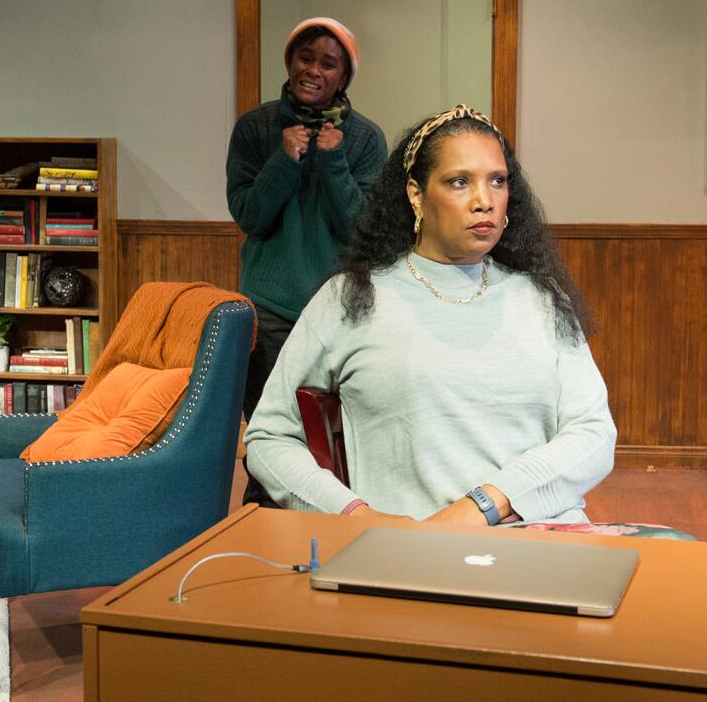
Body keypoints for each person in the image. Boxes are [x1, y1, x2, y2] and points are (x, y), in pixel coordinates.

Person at [243, 106, 616, 525]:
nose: (484, 201)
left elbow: (594, 433)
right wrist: (355, 516)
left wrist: (487, 503)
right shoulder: (350, 298)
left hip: (547, 543)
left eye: (498, 181)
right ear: (416, 194)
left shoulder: (542, 298)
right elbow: (269, 437)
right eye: (460, 182)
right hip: (411, 556)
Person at [227, 18, 387, 504]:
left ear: (343, 77)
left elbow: (365, 230)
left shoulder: (364, 139)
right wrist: (284, 159)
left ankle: (339, 526)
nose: (313, 69)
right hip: (271, 307)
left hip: (342, 308)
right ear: (289, 61)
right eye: (305, 57)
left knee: (338, 439)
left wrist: (333, 162)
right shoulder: (255, 128)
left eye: (328, 63)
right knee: (270, 432)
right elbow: (250, 215)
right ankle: (261, 533)